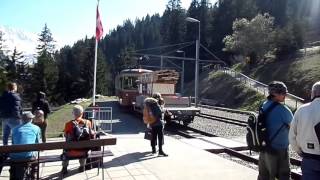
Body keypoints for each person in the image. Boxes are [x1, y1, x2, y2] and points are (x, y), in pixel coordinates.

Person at [258, 81, 293, 180]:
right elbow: (294, 129)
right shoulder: (284, 110)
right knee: (283, 176)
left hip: (264, 149)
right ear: (274, 94)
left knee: (263, 176)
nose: (285, 95)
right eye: (283, 93)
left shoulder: (263, 105)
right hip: (279, 150)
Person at [289, 81, 320, 180]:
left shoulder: (301, 110)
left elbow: (292, 137)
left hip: (309, 158)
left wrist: (300, 151)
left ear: (313, 93)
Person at [61, 105, 94, 175]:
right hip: (84, 152)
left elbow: (66, 136)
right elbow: (90, 135)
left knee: (66, 148)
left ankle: (64, 167)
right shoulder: (88, 122)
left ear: (73, 113)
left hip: (70, 152)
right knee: (83, 145)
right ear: (82, 113)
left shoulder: (68, 124)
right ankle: (82, 166)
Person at [9, 111, 40, 180]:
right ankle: (33, 174)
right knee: (36, 154)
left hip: (15, 157)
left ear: (22, 119)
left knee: (14, 156)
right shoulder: (36, 128)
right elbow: (38, 144)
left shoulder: (14, 129)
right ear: (31, 119)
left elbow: (13, 143)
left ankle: (12, 174)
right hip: (29, 156)